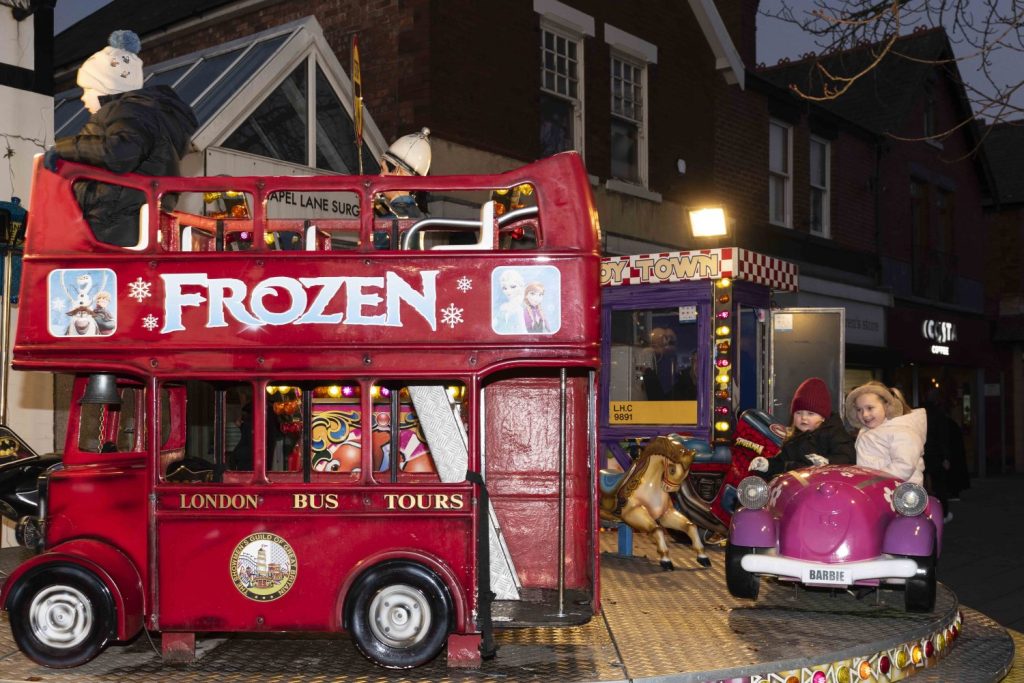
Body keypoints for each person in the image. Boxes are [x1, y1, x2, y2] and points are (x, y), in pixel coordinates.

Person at [43, 30, 198, 247]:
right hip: (126, 218)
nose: (83, 97)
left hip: (113, 221)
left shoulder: (124, 111)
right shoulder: (145, 114)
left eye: (88, 89)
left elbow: (121, 152)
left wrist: (63, 148)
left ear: (106, 89)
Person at [748, 377, 855, 478]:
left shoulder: (834, 433)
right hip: (798, 489)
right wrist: (767, 465)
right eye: (798, 413)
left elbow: (848, 457)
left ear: (823, 417)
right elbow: (782, 463)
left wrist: (828, 462)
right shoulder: (792, 439)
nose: (803, 418)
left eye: (810, 413)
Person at [844, 380, 926, 485]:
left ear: (887, 406)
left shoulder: (902, 431)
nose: (864, 414)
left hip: (902, 496)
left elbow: (904, 466)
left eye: (870, 408)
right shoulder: (870, 431)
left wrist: (871, 481)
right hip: (880, 490)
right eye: (859, 410)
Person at [374, 127, 432, 220]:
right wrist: (374, 203)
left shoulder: (400, 211)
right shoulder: (414, 212)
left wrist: (370, 202)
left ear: (397, 171)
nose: (380, 176)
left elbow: (387, 219)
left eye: (385, 170)